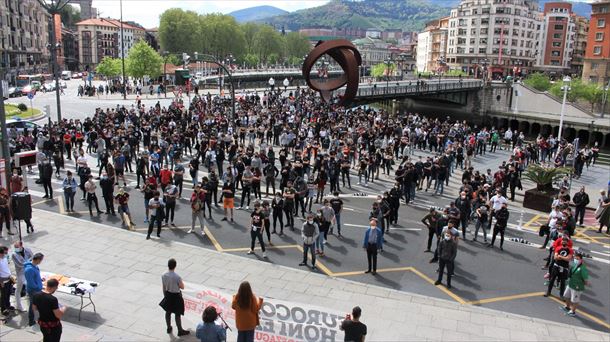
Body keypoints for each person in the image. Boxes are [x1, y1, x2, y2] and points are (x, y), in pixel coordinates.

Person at [160, 258, 189, 336]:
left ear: (168, 265)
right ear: (175, 266)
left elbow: (163, 286)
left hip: (168, 294)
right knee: (177, 313)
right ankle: (180, 330)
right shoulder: (177, 277)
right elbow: (182, 287)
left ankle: (168, 327)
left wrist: (165, 296)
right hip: (176, 296)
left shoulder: (163, 275)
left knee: (168, 312)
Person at [562, 250, 590, 317]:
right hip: (571, 284)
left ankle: (573, 311)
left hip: (577, 286)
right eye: (575, 258)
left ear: (581, 260)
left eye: (577, 259)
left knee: (575, 300)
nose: (575, 260)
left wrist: (582, 284)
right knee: (566, 295)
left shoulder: (583, 268)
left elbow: (586, 280)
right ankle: (567, 307)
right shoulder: (575, 265)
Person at [11, 241, 33, 312]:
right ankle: (19, 306)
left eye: (17, 247)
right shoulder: (14, 255)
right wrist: (29, 261)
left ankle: (29, 297)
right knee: (19, 289)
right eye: (15, 247)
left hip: (28, 271)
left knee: (29, 286)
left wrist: (28, 262)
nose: (16, 248)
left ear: (21, 245)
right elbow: (20, 264)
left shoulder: (27, 250)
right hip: (21, 273)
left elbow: (32, 257)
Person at [24, 252, 44, 326]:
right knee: (32, 306)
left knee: (38, 304)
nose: (41, 262)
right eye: (41, 260)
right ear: (38, 260)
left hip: (37, 289)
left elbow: (35, 277)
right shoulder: (29, 270)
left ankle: (40, 317)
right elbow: (31, 282)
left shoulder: (35, 266)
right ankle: (31, 320)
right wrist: (38, 287)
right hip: (34, 291)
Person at [0, 246, 12, 316]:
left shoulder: (4, 258)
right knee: (3, 295)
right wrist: (1, 282)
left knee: (8, 293)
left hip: (9, 278)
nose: (3, 255)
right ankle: (3, 309)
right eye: (2, 254)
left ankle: (8, 305)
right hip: (3, 281)